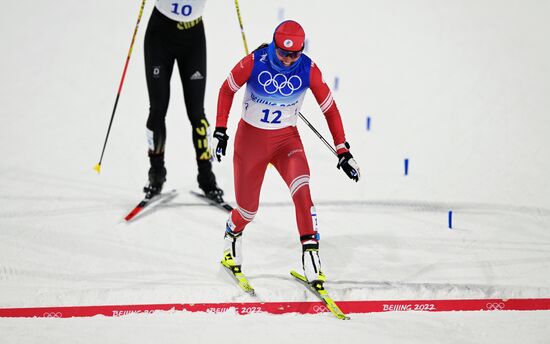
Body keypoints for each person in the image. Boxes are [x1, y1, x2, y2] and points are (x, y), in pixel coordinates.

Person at [211, 20, 361, 286]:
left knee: (302, 190)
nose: (290, 60)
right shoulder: (254, 61)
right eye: (284, 53)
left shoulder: (308, 68)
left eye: (295, 54)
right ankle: (233, 232)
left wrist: (342, 149)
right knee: (247, 211)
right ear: (274, 46)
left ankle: (311, 257)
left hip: (286, 142)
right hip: (250, 143)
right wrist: (220, 129)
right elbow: (226, 90)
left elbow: (330, 108)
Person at [142, 0, 224, 202]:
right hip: (160, 35)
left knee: (197, 113)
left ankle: (206, 177)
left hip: (192, 38)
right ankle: (156, 174)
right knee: (158, 109)